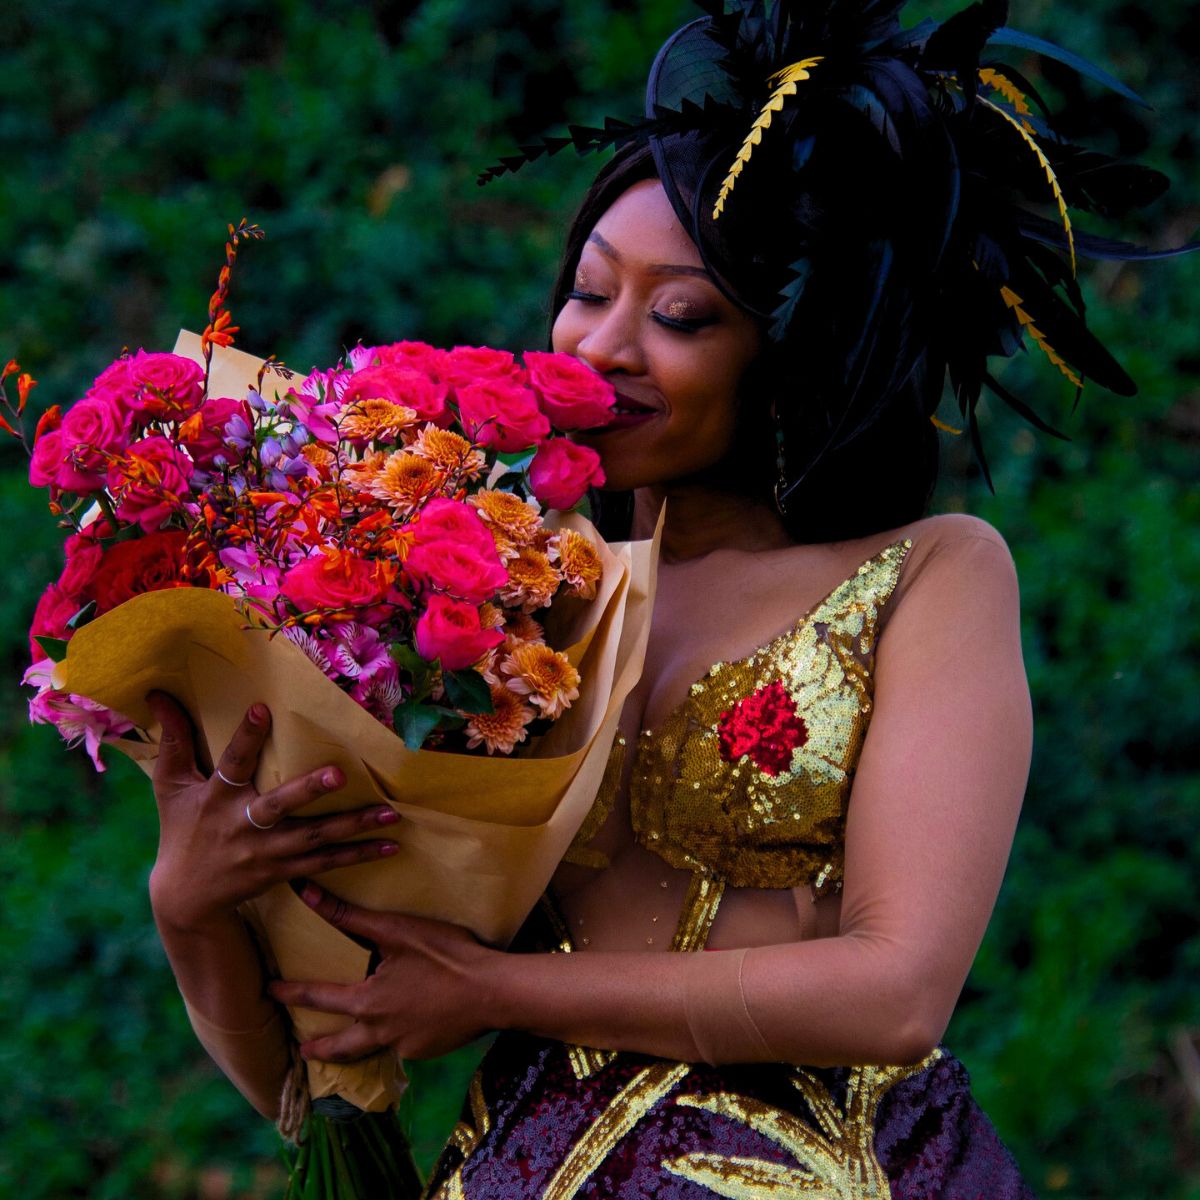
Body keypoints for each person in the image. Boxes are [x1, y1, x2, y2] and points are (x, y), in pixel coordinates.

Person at [147, 1, 1188, 1195]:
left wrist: (497, 992)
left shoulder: (929, 573)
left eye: (680, 314)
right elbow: (316, 1067)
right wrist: (190, 898)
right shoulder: (492, 608)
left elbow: (895, 992)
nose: (602, 348)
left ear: (798, 348)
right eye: (589, 293)